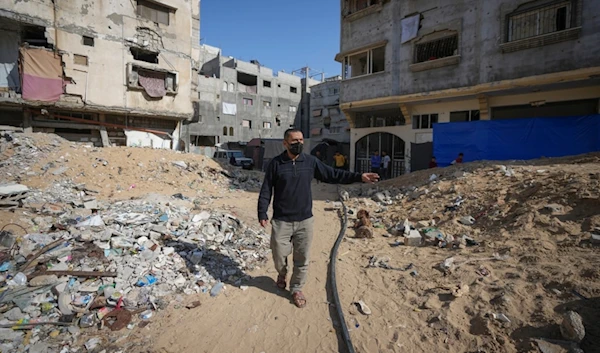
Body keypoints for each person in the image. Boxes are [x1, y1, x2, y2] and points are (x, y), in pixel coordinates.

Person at [258, 129, 379, 308]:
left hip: (305, 221)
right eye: (294, 141)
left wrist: (359, 177)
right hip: (281, 220)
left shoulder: (310, 162)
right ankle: (282, 274)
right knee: (278, 255)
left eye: (301, 140)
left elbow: (333, 174)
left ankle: (296, 288)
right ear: (285, 143)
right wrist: (262, 212)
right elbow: (266, 189)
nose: (298, 143)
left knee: (302, 258)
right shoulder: (276, 164)